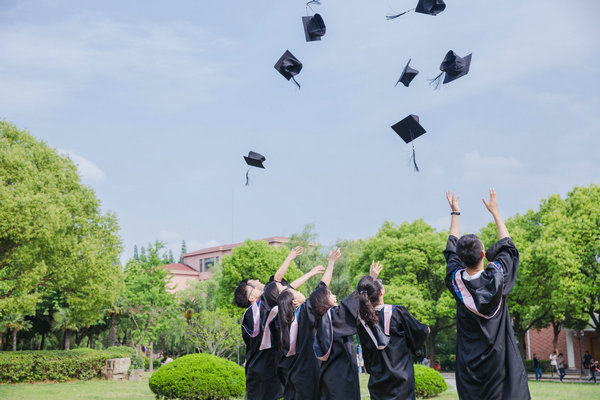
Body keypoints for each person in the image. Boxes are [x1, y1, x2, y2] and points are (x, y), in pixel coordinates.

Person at [444, 189, 530, 400]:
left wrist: (455, 214)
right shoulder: (499, 278)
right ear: (484, 254)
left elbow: (450, 249)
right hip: (500, 364)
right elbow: (508, 247)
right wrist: (496, 213)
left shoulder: (455, 281)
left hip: (470, 368)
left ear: (460, 259)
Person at [235, 246, 306, 400]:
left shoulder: (260, 310)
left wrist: (311, 272)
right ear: (251, 299)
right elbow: (277, 282)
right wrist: (290, 257)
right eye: (252, 288)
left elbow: (286, 288)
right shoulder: (254, 311)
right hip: (261, 367)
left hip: (269, 364)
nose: (256, 286)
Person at [356, 262, 429, 400]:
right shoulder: (397, 313)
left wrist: (370, 279)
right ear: (381, 292)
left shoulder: (362, 323)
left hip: (378, 381)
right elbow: (420, 331)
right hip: (401, 380)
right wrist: (427, 329)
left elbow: (367, 355)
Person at [276, 248, 341, 400]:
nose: (298, 291)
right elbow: (322, 288)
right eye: (296, 292)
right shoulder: (304, 313)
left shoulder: (285, 321)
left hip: (294, 374)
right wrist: (331, 262)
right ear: (295, 302)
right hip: (309, 373)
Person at [310, 248, 361, 400]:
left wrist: (331, 262)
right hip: (342, 376)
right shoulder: (335, 316)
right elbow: (352, 302)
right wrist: (368, 282)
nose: (335, 295)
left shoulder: (315, 317)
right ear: (324, 300)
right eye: (331, 295)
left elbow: (320, 290)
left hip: (327, 375)